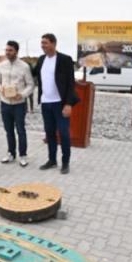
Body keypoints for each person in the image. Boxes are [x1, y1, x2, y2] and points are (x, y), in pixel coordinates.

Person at [32, 33, 77, 174]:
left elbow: (71, 84)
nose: (42, 45)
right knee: (50, 133)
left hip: (60, 103)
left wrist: (68, 104)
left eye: (45, 43)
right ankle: (52, 160)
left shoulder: (65, 59)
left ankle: (65, 162)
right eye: (41, 43)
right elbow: (32, 73)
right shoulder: (41, 60)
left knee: (63, 133)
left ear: (53, 43)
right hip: (46, 103)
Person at [0, 41, 34, 167]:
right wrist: (0, 88)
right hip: (5, 102)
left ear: (16, 51)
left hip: (19, 104)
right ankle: (11, 153)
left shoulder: (24, 66)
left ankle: (23, 155)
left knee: (20, 130)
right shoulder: (1, 65)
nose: (7, 52)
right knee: (8, 130)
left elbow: (30, 85)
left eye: (10, 50)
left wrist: (22, 94)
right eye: (6, 50)